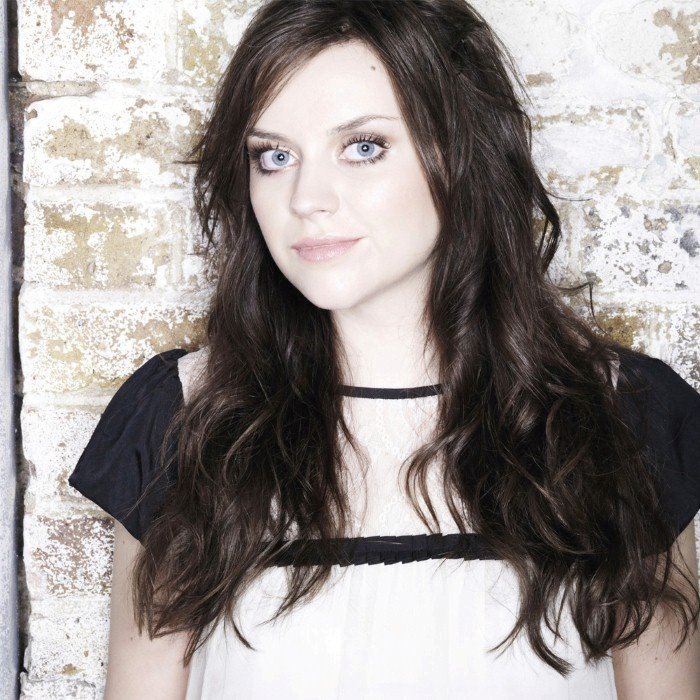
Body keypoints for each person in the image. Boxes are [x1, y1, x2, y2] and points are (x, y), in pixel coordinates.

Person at [67, 0, 700, 697]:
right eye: (274, 156)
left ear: (459, 152)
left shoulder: (624, 418)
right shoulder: (182, 417)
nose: (307, 198)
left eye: (363, 147)